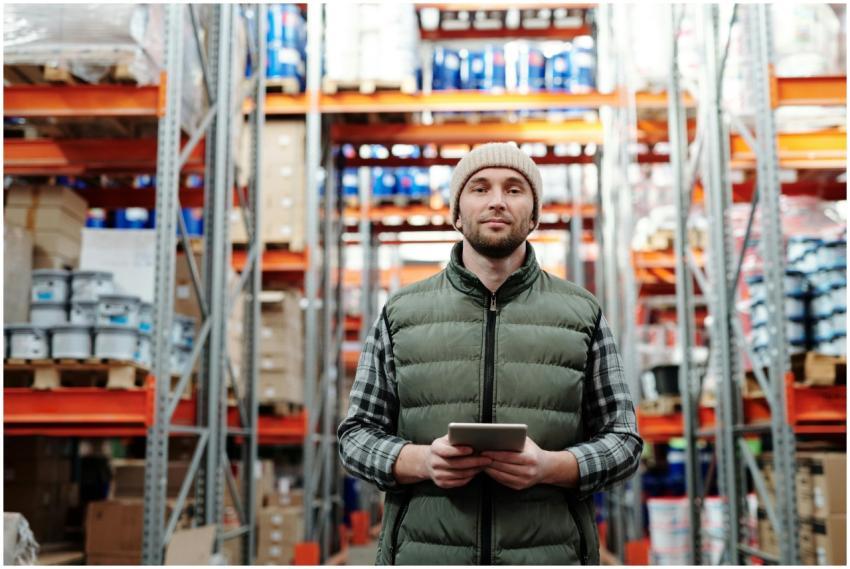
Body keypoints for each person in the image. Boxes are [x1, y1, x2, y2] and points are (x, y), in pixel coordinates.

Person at [338, 142, 643, 565]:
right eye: (480, 188)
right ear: (457, 214)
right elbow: (355, 437)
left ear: (533, 216)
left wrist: (551, 466)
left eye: (514, 189)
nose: (497, 201)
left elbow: (624, 441)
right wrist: (422, 461)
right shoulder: (400, 314)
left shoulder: (582, 314)